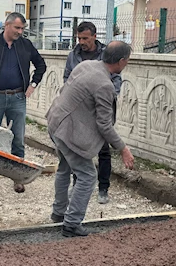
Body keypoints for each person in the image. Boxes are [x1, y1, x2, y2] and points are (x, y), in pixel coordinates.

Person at [47, 41, 136, 237]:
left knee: (64, 167)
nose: (127, 63)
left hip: (55, 122)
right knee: (88, 176)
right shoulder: (105, 85)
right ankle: (71, 223)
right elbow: (104, 125)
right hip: (68, 131)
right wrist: (123, 148)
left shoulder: (85, 65)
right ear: (121, 61)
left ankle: (58, 212)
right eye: (127, 60)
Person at [0, 12, 46, 193]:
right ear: (7, 25)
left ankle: (17, 176)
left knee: (17, 139)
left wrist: (33, 84)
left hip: (18, 98)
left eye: (22, 28)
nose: (20, 32)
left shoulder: (26, 45)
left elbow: (41, 65)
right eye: (17, 28)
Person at [63, 21, 122, 205]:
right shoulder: (73, 55)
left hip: (100, 108)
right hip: (79, 112)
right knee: (77, 148)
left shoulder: (106, 55)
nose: (81, 41)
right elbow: (67, 78)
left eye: (85, 38)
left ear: (95, 37)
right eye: (79, 38)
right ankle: (77, 183)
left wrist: (105, 95)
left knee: (103, 149)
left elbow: (116, 79)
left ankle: (103, 188)